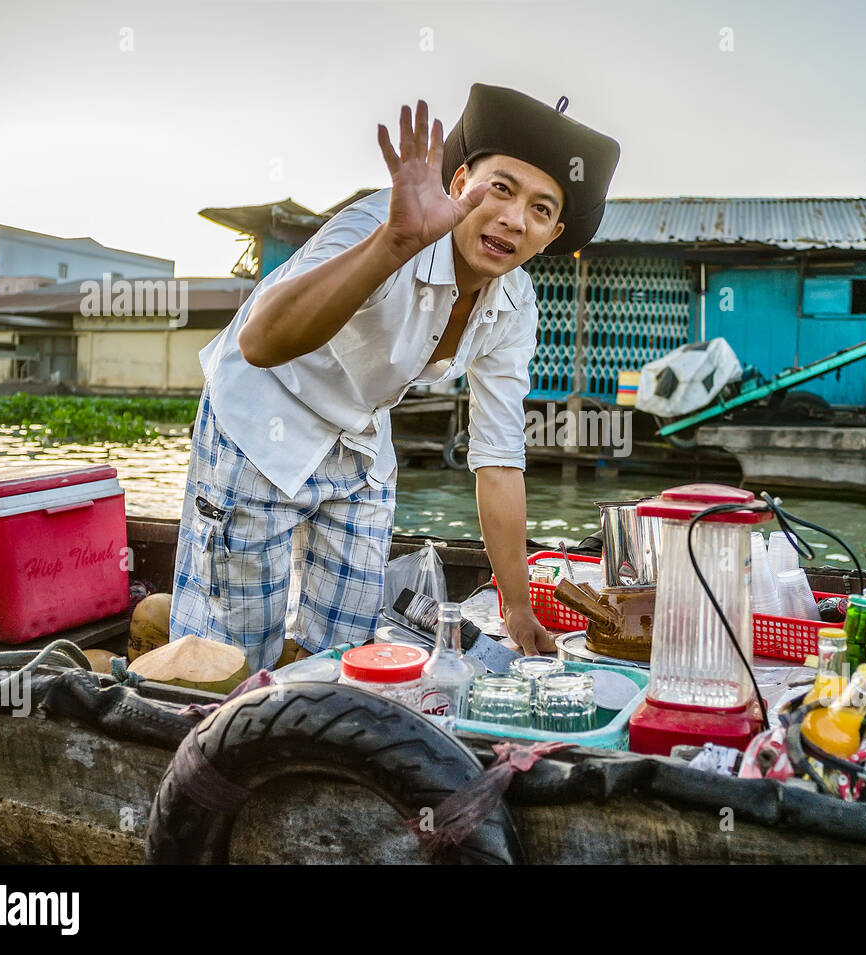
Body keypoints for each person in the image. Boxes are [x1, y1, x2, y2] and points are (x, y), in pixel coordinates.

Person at [169, 84, 620, 671]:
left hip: (359, 436)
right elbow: (259, 343)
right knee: (230, 655)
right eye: (501, 189)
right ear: (459, 185)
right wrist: (395, 242)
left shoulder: (515, 304)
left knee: (350, 649)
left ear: (553, 234)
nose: (513, 219)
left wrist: (515, 605)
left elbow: (500, 456)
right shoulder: (380, 224)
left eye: (541, 209)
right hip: (262, 420)